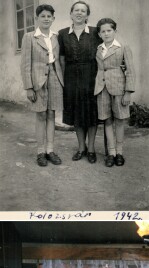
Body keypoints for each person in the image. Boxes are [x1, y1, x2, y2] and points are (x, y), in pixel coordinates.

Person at [20, 4, 64, 167]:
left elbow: (59, 60)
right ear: (36, 19)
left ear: (53, 19)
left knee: (52, 114)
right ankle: (40, 152)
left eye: (49, 16)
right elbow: (25, 64)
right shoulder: (29, 37)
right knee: (40, 115)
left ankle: (50, 150)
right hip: (38, 80)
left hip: (54, 77)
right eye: (42, 16)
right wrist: (29, 87)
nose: (46, 18)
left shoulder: (56, 36)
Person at [58, 1, 100, 163]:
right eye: (76, 10)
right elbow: (61, 59)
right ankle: (81, 147)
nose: (79, 13)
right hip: (71, 77)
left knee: (91, 113)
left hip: (91, 76)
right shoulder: (62, 34)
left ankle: (91, 149)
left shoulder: (96, 32)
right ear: (71, 14)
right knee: (76, 114)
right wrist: (64, 80)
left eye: (83, 11)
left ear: (87, 15)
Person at [93, 18, 134, 168]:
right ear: (99, 34)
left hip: (119, 87)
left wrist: (128, 91)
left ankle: (120, 152)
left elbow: (130, 70)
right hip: (101, 88)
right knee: (107, 120)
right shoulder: (98, 49)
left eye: (109, 30)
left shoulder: (122, 47)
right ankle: (111, 152)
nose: (106, 33)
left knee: (119, 119)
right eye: (103, 31)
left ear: (115, 31)